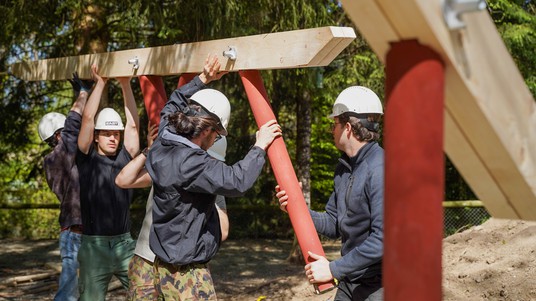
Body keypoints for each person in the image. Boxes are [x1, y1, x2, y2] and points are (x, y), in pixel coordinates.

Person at [144, 55, 281, 300]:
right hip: (187, 277)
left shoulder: (162, 139)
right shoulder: (193, 163)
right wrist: (260, 146)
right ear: (207, 129)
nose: (215, 141)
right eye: (217, 135)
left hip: (161, 267)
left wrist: (203, 78)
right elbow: (237, 180)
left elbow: (173, 102)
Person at [276, 86, 384, 301]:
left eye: (334, 124)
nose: (331, 130)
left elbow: (384, 238)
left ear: (349, 127)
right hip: (350, 281)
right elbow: (334, 223)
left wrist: (333, 269)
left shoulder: (382, 169)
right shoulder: (344, 168)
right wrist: (295, 208)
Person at [115, 125, 231, 301]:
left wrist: (208, 195)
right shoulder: (167, 168)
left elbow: (223, 231)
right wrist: (150, 151)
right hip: (146, 259)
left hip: (181, 267)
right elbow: (123, 180)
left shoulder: (214, 184)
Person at [76, 64, 140, 301]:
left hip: (125, 244)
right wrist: (100, 82)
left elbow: (133, 125)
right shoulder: (86, 158)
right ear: (96, 136)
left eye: (116, 134)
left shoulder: (126, 157)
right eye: (107, 133)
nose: (113, 138)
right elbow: (87, 118)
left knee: (146, 295)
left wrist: (125, 84)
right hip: (94, 247)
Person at [38, 72, 94, 301]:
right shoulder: (60, 154)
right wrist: (82, 93)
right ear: (58, 135)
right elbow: (73, 128)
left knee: (83, 290)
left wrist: (80, 96)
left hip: (78, 230)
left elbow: (76, 129)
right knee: (68, 292)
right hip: (75, 231)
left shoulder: (58, 159)